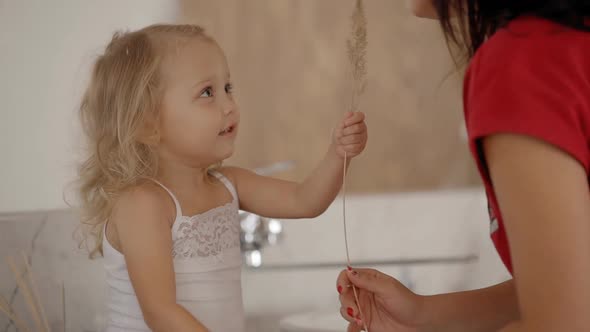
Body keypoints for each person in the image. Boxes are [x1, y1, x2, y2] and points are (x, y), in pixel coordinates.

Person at [76, 24, 368, 331]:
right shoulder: (142, 204)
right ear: (148, 123)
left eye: (228, 88)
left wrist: (338, 154)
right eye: (207, 92)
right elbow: (161, 313)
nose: (229, 105)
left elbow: (305, 201)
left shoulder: (230, 185)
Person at [337, 1, 590, 331]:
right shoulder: (567, 42)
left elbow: (562, 324)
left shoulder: (522, 63)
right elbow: (571, 289)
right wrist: (421, 316)